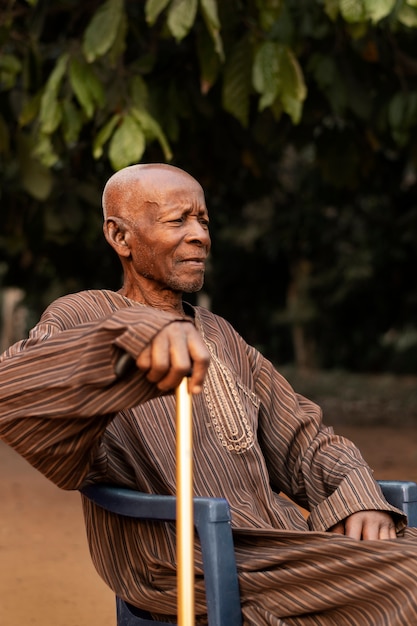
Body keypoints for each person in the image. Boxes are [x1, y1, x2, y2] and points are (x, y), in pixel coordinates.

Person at [0, 163, 417, 626]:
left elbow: (302, 439)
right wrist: (134, 331)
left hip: (280, 545)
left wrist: (355, 492)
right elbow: (14, 387)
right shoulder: (85, 313)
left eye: (203, 221)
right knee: (409, 580)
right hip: (182, 560)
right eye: (178, 220)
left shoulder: (220, 333)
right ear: (120, 238)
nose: (200, 235)